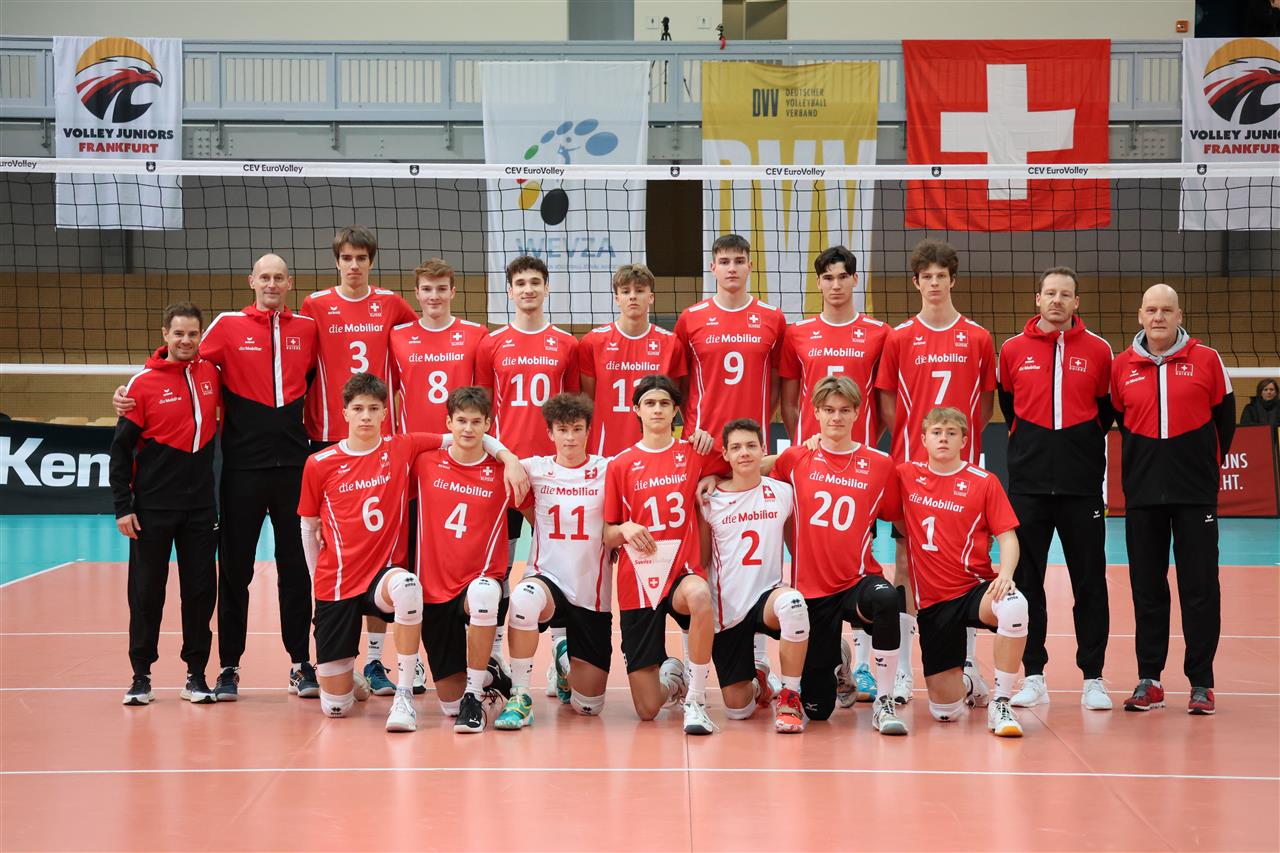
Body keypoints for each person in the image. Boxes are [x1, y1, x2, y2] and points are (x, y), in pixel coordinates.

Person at [113, 255, 323, 701]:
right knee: (234, 572)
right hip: (241, 472)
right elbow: (180, 360)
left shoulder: (307, 329)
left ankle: (300, 663)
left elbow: (312, 377)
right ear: (252, 281)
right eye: (264, 277)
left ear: (289, 283)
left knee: (295, 571)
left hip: (293, 470)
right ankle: (228, 666)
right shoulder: (227, 326)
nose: (271, 283)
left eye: (278, 277)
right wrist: (131, 389)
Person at [298, 376, 525, 732]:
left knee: (408, 586)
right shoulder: (320, 462)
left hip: (383, 577)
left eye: (374, 409)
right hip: (337, 582)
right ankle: (347, 679)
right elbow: (308, 528)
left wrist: (507, 456)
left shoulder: (402, 449)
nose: (366, 416)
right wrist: (317, 582)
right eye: (358, 409)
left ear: (385, 413)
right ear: (344, 413)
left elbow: (465, 435)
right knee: (335, 708)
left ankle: (406, 694)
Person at [874, 239, 996, 705]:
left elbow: (984, 404)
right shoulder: (899, 337)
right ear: (916, 282)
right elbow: (888, 403)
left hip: (962, 472)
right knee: (906, 562)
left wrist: (956, 452)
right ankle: (904, 671)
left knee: (966, 565)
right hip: (912, 470)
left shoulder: (978, 337)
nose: (934, 283)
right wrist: (914, 447)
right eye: (926, 276)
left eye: (941, 276)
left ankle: (967, 666)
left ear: (952, 280)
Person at [301, 225, 418, 696]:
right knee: (330, 544)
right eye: (346, 258)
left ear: (371, 261)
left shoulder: (391, 304)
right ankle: (323, 657)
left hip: (379, 442)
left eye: (361, 258)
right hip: (327, 439)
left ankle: (373, 660)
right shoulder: (314, 305)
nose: (354, 265)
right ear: (337, 262)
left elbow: (419, 342)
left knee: (381, 549)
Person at [1111, 284, 1235, 716]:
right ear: (1140, 315)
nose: (1158, 317)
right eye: (1151, 310)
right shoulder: (1121, 366)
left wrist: (1202, 468)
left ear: (1179, 315)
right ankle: (1150, 680)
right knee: (1147, 589)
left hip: (1194, 495)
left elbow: (1225, 420)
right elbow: (1119, 418)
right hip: (1143, 495)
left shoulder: (1207, 359)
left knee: (1200, 588)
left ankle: (1202, 683)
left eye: (1166, 310)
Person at [997, 267, 1115, 711]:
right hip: (1028, 487)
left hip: (1081, 487)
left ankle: (1093, 678)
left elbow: (1105, 411)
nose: (1057, 301)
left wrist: (1077, 446)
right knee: (1027, 583)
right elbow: (1010, 406)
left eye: (1066, 294)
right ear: (1038, 298)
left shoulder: (1099, 350)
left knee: (1090, 583)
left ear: (1076, 302)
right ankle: (1033, 675)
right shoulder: (1012, 350)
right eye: (1050, 293)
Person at [778, 244, 889, 702]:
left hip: (858, 468)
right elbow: (789, 402)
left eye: (844, 276)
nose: (836, 284)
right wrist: (805, 443)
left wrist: (863, 451)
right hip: (811, 465)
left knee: (859, 556)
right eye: (828, 277)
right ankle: (829, 658)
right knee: (807, 554)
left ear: (855, 280)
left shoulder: (879, 333)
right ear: (819, 282)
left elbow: (882, 403)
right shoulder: (798, 333)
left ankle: (863, 666)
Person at [768, 376, 908, 735]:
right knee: (818, 711)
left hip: (858, 581)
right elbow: (748, 466)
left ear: (857, 413)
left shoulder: (879, 464)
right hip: (811, 591)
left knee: (887, 599)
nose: (836, 417)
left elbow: (899, 516)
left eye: (845, 410)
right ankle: (839, 661)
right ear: (815, 412)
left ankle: (884, 701)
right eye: (828, 410)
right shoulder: (795, 459)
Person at [887, 407, 1028, 737]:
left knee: (1015, 604)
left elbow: (1008, 536)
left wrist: (1006, 573)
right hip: (934, 603)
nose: (943, 439)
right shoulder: (905, 475)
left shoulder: (984, 482)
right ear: (923, 439)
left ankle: (1001, 702)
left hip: (974, 588)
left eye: (951, 433)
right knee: (945, 713)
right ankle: (968, 681)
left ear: (964, 440)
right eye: (936, 433)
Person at [111, 302, 221, 706]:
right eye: (179, 333)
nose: (186, 340)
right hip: (152, 509)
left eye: (193, 333)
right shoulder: (142, 384)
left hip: (201, 508)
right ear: (164, 335)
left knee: (200, 592)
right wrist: (123, 506)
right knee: (146, 592)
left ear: (200, 335)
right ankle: (141, 676)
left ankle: (196, 676)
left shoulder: (212, 374)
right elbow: (120, 450)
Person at [604, 375, 719, 735]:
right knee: (647, 710)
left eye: (664, 404)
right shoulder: (620, 464)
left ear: (675, 411)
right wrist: (624, 529)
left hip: (681, 571)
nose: (657, 410)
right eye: (650, 403)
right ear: (636, 410)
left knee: (700, 595)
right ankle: (673, 681)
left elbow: (746, 464)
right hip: (638, 581)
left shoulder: (695, 452)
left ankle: (696, 700)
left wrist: (714, 477)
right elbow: (607, 534)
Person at [495, 393, 613, 729]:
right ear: (550, 433)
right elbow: (488, 452)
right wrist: (508, 457)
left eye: (577, 429)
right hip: (547, 579)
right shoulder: (535, 469)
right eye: (562, 429)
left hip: (591, 595)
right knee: (523, 597)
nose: (570, 437)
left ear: (588, 430)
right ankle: (520, 695)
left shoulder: (608, 469)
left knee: (588, 707)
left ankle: (564, 665)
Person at [699, 418, 809, 733]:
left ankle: (790, 697)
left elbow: (797, 548)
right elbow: (703, 560)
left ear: (763, 449)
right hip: (728, 611)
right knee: (738, 710)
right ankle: (760, 682)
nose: (744, 453)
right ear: (725, 454)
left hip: (768, 598)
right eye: (736, 447)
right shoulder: (710, 500)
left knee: (793, 603)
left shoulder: (784, 493)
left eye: (751, 446)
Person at [577, 264, 686, 458]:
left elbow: (673, 400)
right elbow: (589, 399)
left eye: (640, 290)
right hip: (604, 449)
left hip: (654, 449)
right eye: (626, 291)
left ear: (651, 297)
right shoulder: (593, 342)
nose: (633, 296)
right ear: (617, 298)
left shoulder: (671, 344)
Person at [389, 258, 486, 434]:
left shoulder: (477, 334)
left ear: (452, 292)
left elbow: (485, 393)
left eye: (441, 289)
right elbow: (388, 391)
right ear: (417, 293)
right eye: (427, 289)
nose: (434, 296)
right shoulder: (397, 336)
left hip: (461, 439)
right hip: (413, 439)